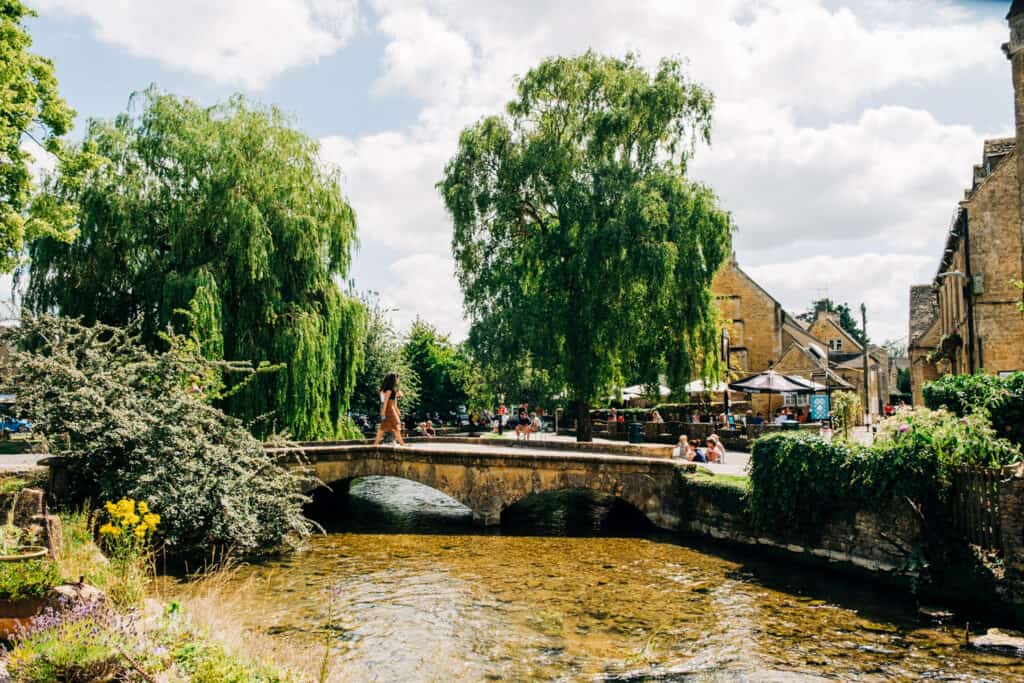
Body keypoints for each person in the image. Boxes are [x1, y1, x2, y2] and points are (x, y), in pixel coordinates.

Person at [373, 373, 406, 446]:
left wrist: (397, 410)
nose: (398, 380)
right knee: (395, 425)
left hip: (390, 409)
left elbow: (392, 401)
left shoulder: (390, 390)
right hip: (389, 410)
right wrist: (383, 412)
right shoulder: (389, 390)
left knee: (385, 427)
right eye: (397, 378)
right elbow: (385, 402)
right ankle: (402, 444)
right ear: (393, 379)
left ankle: (375, 444)